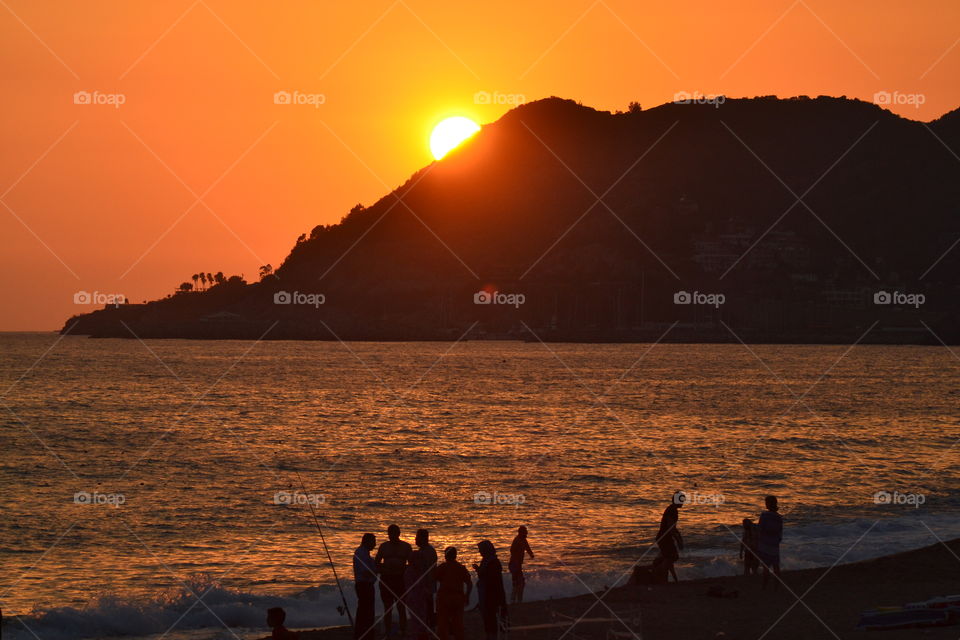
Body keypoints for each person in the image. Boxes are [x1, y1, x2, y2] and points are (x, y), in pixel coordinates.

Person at [375, 524, 412, 637]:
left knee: (401, 607)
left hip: (400, 580)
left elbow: (411, 565)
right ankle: (387, 631)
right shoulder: (383, 546)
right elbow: (376, 563)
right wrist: (384, 569)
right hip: (387, 579)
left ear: (399, 533)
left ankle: (403, 630)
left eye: (395, 533)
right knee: (388, 607)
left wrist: (404, 570)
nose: (392, 536)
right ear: (388, 534)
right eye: (390, 534)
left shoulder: (406, 547)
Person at [436, 546, 472, 640]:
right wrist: (467, 596)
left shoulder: (443, 567)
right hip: (458, 598)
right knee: (458, 623)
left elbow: (433, 578)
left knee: (443, 624)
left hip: (445, 598)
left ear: (446, 556)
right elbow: (469, 583)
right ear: (455, 555)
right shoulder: (461, 567)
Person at [474, 540, 507, 640]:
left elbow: (491, 579)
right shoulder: (487, 560)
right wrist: (478, 569)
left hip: (492, 595)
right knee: (489, 619)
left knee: (491, 619)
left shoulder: (493, 562)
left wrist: (479, 571)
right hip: (487, 594)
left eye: (481, 550)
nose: (480, 552)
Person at [404, 545, 433, 640]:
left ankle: (421, 634)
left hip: (419, 598)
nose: (421, 561)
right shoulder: (410, 572)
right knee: (416, 620)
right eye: (419, 559)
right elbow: (415, 586)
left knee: (421, 618)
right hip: (414, 598)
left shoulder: (418, 571)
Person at [655, 491, 684, 582]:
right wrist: (678, 540)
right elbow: (671, 527)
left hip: (663, 538)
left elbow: (673, 528)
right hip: (664, 538)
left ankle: (672, 579)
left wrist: (679, 536)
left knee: (668, 558)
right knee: (672, 556)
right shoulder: (672, 510)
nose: (683, 502)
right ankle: (662, 579)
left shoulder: (672, 509)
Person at [353, 533, 378, 640]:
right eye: (373, 542)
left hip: (366, 585)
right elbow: (365, 572)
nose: (375, 544)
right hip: (364, 585)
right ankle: (363, 633)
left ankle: (365, 633)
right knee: (365, 611)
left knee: (366, 611)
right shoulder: (361, 553)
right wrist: (376, 571)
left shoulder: (365, 554)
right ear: (367, 541)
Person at [757, 495, 784, 590]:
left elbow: (760, 529)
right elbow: (780, 532)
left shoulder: (764, 515)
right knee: (776, 567)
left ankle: (764, 586)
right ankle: (776, 586)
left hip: (765, 544)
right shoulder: (779, 517)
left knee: (766, 567)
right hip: (775, 545)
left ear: (768, 504)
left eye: (766, 502)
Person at [415, 528, 438, 627]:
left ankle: (430, 627)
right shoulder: (423, 550)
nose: (415, 540)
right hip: (424, 584)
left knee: (428, 607)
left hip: (427, 584)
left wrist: (427, 586)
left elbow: (429, 570)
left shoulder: (428, 551)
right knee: (425, 607)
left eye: (417, 538)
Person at [508, 526, 534, 603]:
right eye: (525, 532)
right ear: (521, 532)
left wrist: (531, 554)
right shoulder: (517, 540)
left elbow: (527, 548)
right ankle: (515, 600)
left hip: (517, 564)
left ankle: (517, 600)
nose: (527, 533)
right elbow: (512, 550)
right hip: (514, 564)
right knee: (518, 583)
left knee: (519, 583)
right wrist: (517, 559)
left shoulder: (523, 540)